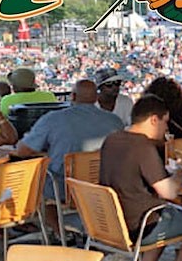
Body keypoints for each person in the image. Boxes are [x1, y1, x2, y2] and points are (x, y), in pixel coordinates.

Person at [99, 95, 182, 261]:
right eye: (165, 122)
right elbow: (169, 192)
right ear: (153, 120)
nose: (166, 128)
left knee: (165, 211)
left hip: (112, 221)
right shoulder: (143, 148)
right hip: (139, 226)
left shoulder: (112, 139)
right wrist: (179, 173)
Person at [15, 80, 124, 239]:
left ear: (72, 96)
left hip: (66, 187)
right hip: (104, 186)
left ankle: (59, 231)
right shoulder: (115, 121)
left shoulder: (53, 119)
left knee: (38, 178)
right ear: (96, 98)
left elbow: (22, 151)